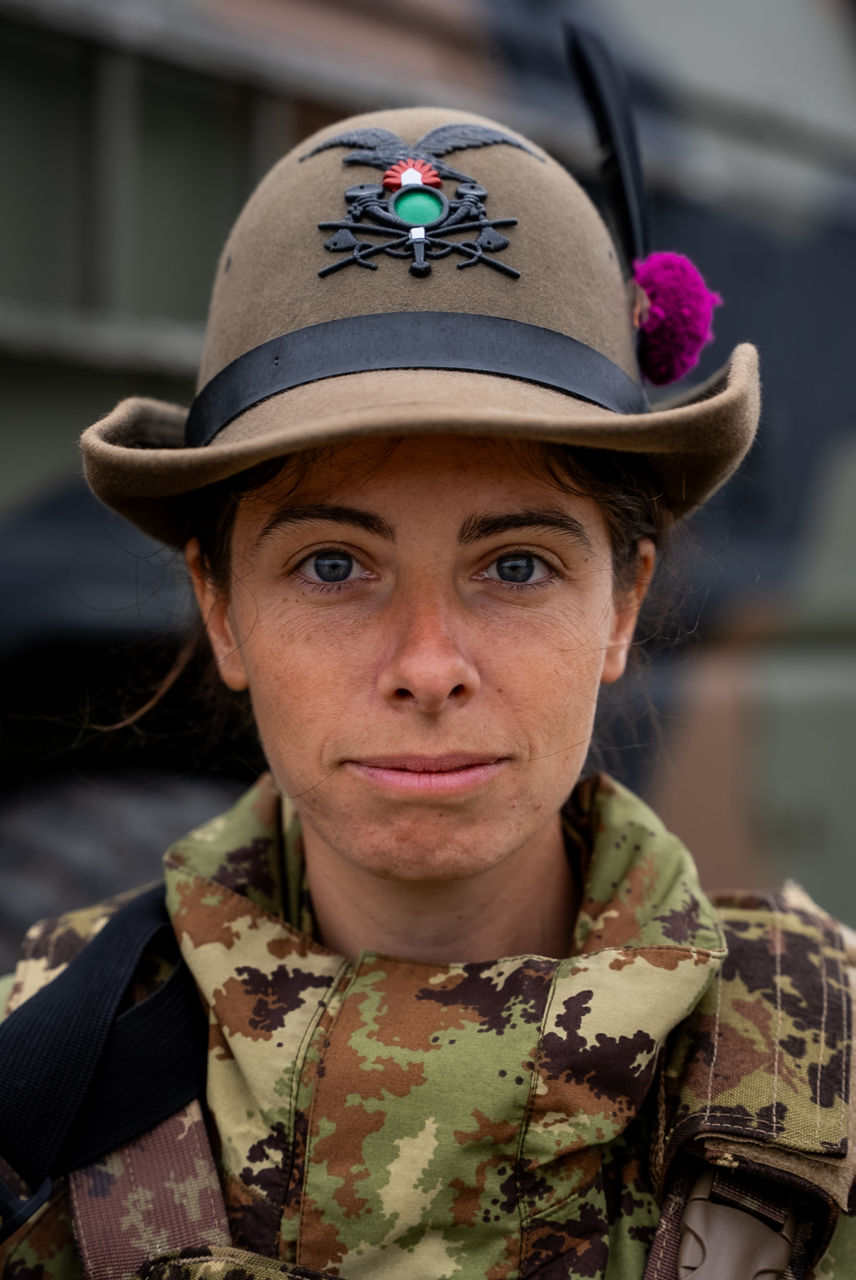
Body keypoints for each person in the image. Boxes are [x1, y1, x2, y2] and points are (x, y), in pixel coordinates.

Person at [2, 101, 855, 1280]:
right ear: (220, 607)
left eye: (514, 565)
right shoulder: (35, 1069)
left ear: (619, 605)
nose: (426, 662)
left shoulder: (830, 1064)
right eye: (333, 565)